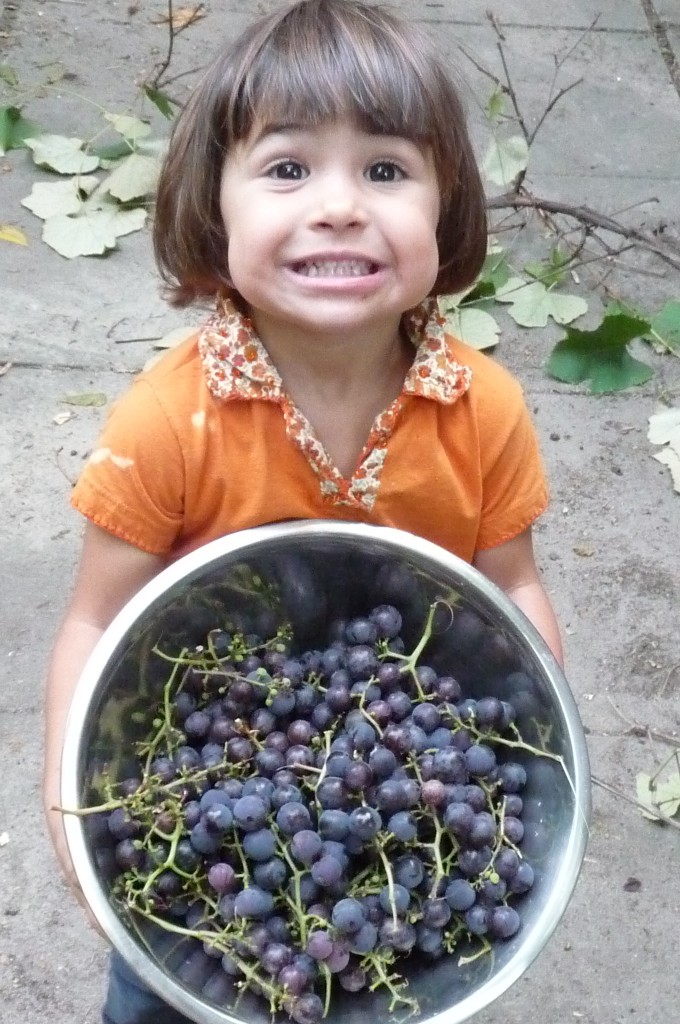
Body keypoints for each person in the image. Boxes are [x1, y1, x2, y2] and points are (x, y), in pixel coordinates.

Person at [43, 0, 564, 1020]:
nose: (338, 207)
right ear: (213, 209)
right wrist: (76, 812)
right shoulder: (167, 422)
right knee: (163, 988)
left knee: (415, 951)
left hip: (402, 778)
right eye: (287, 169)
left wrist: (527, 759)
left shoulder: (482, 411)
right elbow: (97, 619)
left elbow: (510, 586)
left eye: (384, 170)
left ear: (446, 214)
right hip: (197, 792)